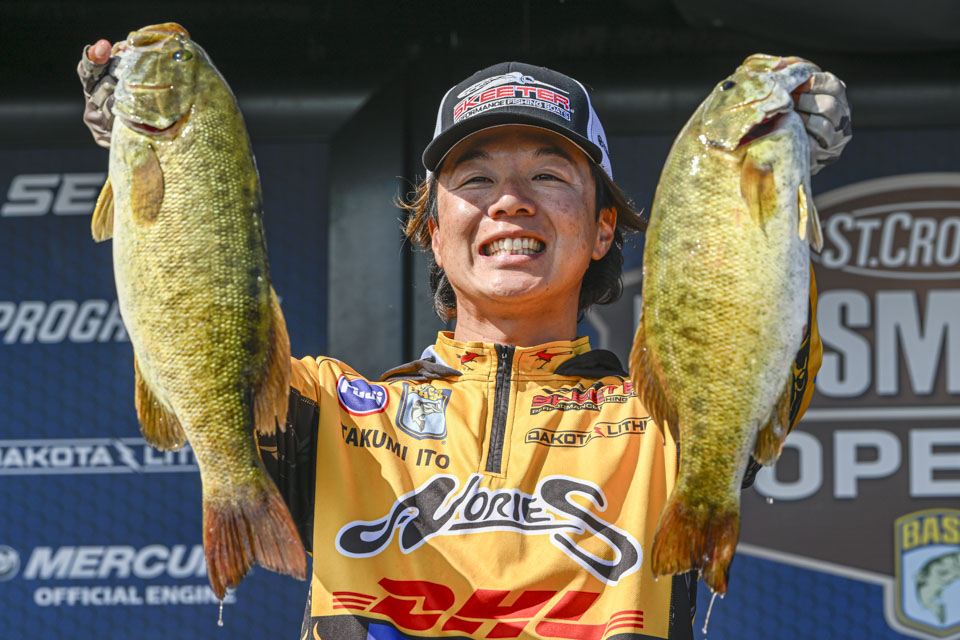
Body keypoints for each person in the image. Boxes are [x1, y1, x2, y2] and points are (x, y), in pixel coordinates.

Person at [79, 39, 851, 639]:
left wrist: (780, 177)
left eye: (549, 176)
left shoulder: (668, 420)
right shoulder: (332, 410)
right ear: (430, 230)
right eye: (475, 180)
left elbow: (759, 334)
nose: (510, 202)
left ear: (602, 228)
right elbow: (194, 316)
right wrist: (161, 163)